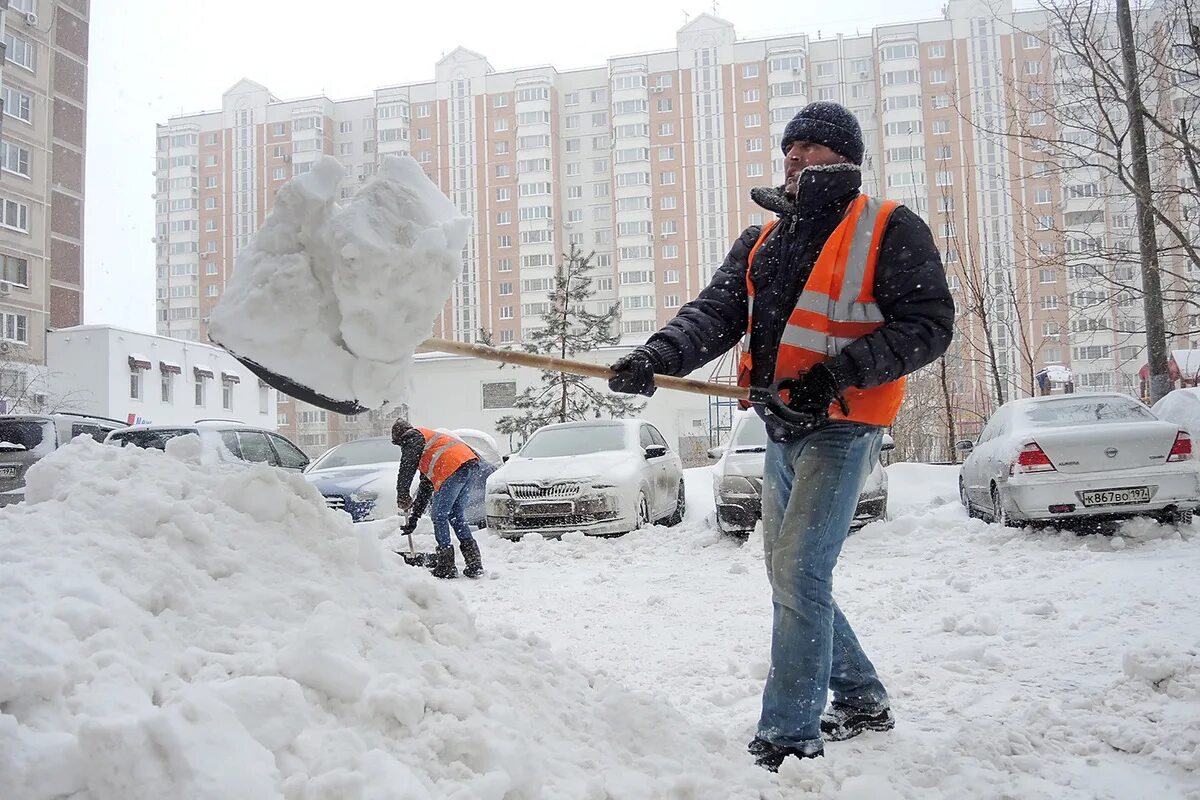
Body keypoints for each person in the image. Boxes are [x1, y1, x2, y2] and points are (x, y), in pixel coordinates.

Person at [608, 101, 954, 771]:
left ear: (845, 157)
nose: (795, 155)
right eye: (790, 146)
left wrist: (835, 377)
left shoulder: (888, 226)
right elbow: (714, 312)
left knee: (799, 570)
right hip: (779, 423)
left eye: (813, 146)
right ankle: (860, 697)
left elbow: (928, 324)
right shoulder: (765, 238)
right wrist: (657, 356)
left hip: (844, 423)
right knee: (789, 570)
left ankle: (789, 736)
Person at [392, 420, 485, 579]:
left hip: (453, 465)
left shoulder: (412, 437)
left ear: (400, 437)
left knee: (439, 515)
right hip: (468, 464)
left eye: (400, 445)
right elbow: (425, 487)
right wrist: (414, 519)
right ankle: (474, 563)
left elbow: (407, 466)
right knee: (456, 514)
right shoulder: (427, 446)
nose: (402, 448)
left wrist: (402, 493)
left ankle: (446, 565)